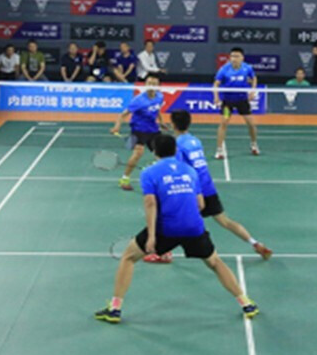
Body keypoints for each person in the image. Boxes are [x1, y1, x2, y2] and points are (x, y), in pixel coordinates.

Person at [94, 134, 259, 324]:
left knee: (128, 258)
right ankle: (246, 303)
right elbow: (200, 204)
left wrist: (152, 236)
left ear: (155, 152)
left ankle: (115, 308)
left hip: (166, 229)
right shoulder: (190, 171)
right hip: (193, 227)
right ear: (175, 150)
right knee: (215, 262)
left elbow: (150, 204)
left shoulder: (149, 173)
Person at [172, 110, 272, 260]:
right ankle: (255, 243)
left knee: (172, 220)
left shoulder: (178, 145)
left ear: (173, 124)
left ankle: (165, 253)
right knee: (225, 221)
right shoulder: (195, 141)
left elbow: (180, 169)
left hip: (195, 191)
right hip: (208, 186)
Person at [110, 73, 167, 193]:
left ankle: (161, 179)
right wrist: (117, 126)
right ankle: (125, 179)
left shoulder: (160, 96)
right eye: (149, 83)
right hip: (139, 129)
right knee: (138, 154)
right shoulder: (138, 100)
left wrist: (161, 122)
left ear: (158, 85)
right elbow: (123, 114)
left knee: (161, 155)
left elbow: (157, 110)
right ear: (145, 85)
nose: (151, 86)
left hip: (153, 129)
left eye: (154, 84)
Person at [213, 47, 260, 159]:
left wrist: (253, 90)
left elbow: (254, 79)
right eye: (232, 56)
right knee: (223, 123)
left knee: (251, 124)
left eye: (237, 56)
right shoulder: (224, 69)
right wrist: (216, 97)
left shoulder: (247, 68)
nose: (234, 58)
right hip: (228, 102)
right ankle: (219, 150)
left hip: (242, 100)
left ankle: (254, 145)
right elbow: (216, 84)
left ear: (242, 58)